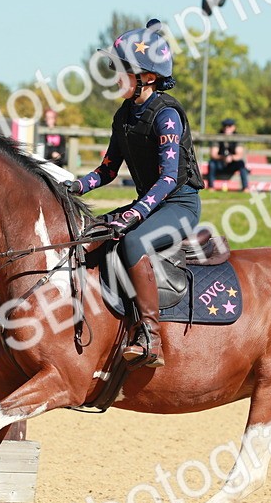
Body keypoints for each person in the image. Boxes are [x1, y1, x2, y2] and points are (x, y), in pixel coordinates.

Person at [62, 19, 203, 368]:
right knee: (88, 236)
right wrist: (74, 186)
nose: (115, 76)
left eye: (122, 70)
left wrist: (134, 214)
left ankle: (150, 339)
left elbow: (169, 179)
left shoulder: (166, 115)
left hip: (179, 206)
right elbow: (108, 169)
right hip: (150, 205)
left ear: (148, 77)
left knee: (132, 242)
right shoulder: (123, 115)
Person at [207, 117, 249, 191]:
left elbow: (239, 155)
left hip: (232, 164)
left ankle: (245, 188)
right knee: (211, 163)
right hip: (220, 163)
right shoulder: (218, 137)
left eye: (229, 126)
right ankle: (211, 187)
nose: (227, 128)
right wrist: (223, 158)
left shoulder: (237, 138)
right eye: (225, 126)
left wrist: (231, 157)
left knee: (241, 164)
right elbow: (213, 154)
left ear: (233, 127)